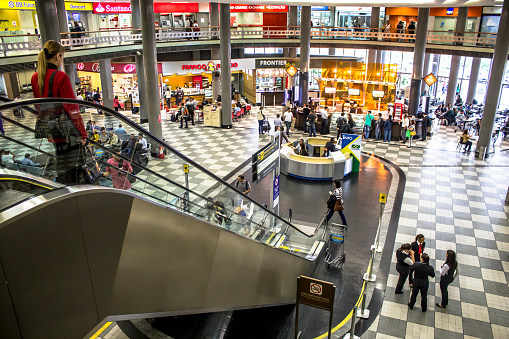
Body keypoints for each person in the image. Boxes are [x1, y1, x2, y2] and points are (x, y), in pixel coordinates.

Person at [31, 40, 87, 184]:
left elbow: (38, 104)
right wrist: (82, 132)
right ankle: (72, 190)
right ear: (58, 56)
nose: (62, 60)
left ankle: (64, 188)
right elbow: (72, 108)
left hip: (50, 127)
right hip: (66, 129)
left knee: (61, 158)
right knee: (72, 164)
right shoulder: (60, 77)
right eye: (62, 57)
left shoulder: (35, 77)